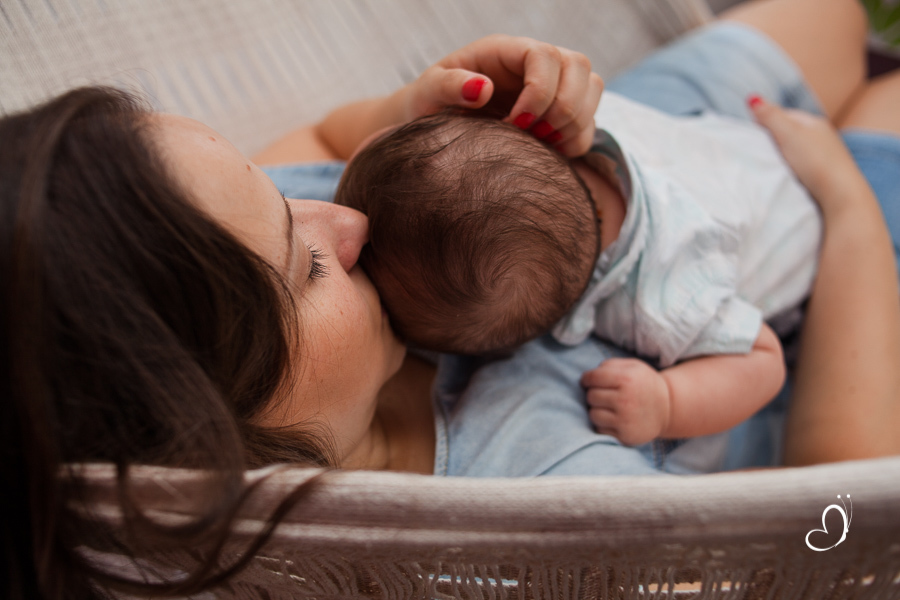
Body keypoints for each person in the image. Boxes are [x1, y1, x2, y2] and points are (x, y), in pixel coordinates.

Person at [2, 0, 899, 598]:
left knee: (832, 13)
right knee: (885, 99)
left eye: (268, 187)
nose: (344, 218)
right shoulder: (538, 502)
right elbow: (837, 523)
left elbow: (321, 138)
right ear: (218, 463)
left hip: (636, 158)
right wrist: (849, 210)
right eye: (308, 267)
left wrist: (410, 120)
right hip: (818, 305)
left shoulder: (245, 250)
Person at [334, 90, 820, 446]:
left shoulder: (663, 301)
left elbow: (764, 358)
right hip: (767, 147)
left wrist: (668, 403)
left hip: (811, 224)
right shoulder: (574, 122)